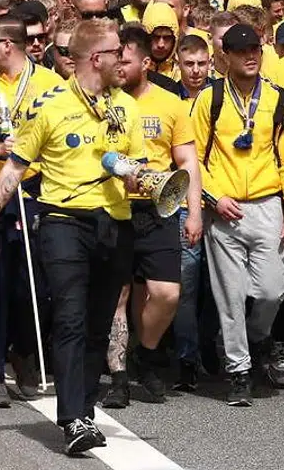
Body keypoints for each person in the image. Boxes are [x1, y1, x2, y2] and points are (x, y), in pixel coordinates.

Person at [0, 19, 144, 456]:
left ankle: (84, 410)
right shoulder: (49, 105)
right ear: (96, 58)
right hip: (63, 220)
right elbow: (15, 166)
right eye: (117, 52)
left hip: (116, 222)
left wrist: (139, 178)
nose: (124, 59)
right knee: (70, 316)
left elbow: (137, 170)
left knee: (99, 323)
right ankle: (72, 418)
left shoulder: (128, 106)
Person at [191, 23, 284, 406]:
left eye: (254, 48)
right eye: (240, 51)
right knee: (230, 294)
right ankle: (239, 370)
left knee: (271, 290)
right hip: (225, 209)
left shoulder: (278, 98)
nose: (250, 56)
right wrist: (212, 198)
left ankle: (257, 337)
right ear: (225, 58)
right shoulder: (209, 99)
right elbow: (194, 159)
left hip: (268, 204)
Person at [0, 14, 63, 407]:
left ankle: (23, 354)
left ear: (8, 45)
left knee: (31, 285)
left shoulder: (50, 84)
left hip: (34, 189)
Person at [100, 25, 201, 408]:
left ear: (145, 62)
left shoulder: (170, 103)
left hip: (161, 208)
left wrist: (193, 213)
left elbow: (188, 159)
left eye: (125, 60)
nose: (118, 67)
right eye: (114, 60)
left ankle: (147, 351)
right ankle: (119, 378)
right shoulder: (104, 101)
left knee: (166, 293)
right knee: (120, 294)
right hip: (115, 209)